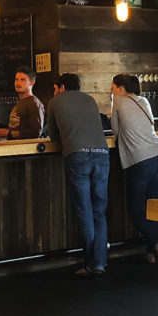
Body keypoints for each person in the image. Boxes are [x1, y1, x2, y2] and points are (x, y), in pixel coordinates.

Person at [47, 73, 109, 278]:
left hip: (77, 157)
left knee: (85, 211)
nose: (55, 91)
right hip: (102, 155)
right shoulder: (90, 99)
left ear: (62, 87)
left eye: (56, 87)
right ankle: (98, 263)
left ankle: (91, 263)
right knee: (99, 212)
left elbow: (53, 136)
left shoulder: (55, 101)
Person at [111, 73, 158, 264]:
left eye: (113, 87)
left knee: (135, 209)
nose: (111, 91)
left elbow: (115, 131)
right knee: (153, 208)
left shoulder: (118, 101)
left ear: (120, 89)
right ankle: (152, 250)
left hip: (141, 161)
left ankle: (157, 245)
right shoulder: (144, 101)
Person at [0, 66, 45, 139]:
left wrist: (9, 133)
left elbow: (36, 132)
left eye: (22, 80)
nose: (18, 83)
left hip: (26, 149)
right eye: (16, 79)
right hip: (15, 147)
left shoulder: (34, 103)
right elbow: (18, 127)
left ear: (32, 82)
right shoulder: (21, 102)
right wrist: (5, 132)